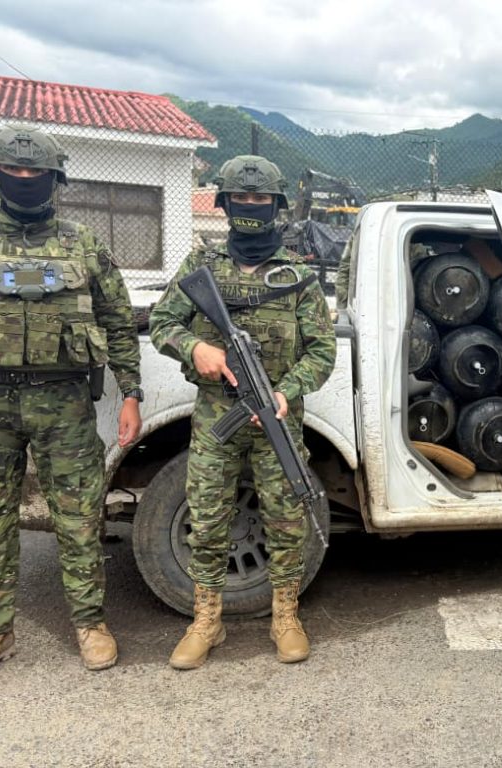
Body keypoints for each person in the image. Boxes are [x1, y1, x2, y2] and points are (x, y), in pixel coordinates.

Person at [149, 155, 335, 669]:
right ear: (225, 204)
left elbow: (322, 351)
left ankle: (285, 616)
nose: (251, 206)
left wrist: (286, 391)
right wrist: (195, 349)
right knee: (208, 520)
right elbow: (162, 323)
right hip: (217, 420)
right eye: (241, 198)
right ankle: (207, 621)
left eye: (260, 199)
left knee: (286, 519)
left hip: (277, 418)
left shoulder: (297, 276)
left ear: (276, 205)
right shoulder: (201, 267)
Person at [0, 125, 143, 674]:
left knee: (78, 518)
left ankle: (90, 623)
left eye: (36, 171)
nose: (24, 178)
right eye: (13, 169)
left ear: (55, 179)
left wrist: (131, 394)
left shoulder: (84, 244)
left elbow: (119, 323)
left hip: (64, 404)